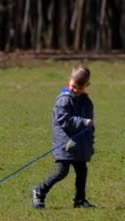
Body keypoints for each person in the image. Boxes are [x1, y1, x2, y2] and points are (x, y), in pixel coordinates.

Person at [31, 65, 96, 209]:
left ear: (86, 85)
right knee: (62, 171)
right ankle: (39, 191)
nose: (75, 90)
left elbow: (90, 126)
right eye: (73, 86)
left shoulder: (86, 102)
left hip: (80, 145)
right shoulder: (64, 100)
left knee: (82, 171)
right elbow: (64, 121)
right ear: (69, 81)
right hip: (64, 143)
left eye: (79, 88)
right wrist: (82, 121)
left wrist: (90, 144)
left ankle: (80, 200)